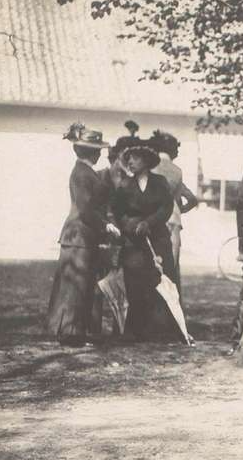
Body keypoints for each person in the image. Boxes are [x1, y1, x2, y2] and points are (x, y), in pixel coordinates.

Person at [48, 123, 121, 346]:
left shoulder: (86, 172)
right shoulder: (81, 173)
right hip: (78, 236)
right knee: (75, 284)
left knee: (80, 284)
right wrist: (106, 226)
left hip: (82, 236)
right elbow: (85, 208)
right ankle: (69, 334)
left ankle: (74, 332)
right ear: (91, 152)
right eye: (97, 149)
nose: (100, 153)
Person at [112, 138, 181, 341]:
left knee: (159, 282)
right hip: (134, 244)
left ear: (146, 161)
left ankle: (160, 331)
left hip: (158, 241)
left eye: (135, 158)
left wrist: (149, 223)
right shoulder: (124, 185)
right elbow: (117, 211)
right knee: (134, 285)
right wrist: (131, 225)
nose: (130, 162)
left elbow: (166, 208)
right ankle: (135, 331)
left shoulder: (159, 183)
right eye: (128, 158)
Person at [149, 130, 198, 277]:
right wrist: (180, 209)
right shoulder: (177, 171)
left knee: (152, 266)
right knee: (171, 269)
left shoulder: (150, 167)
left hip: (153, 221)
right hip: (173, 220)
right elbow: (191, 199)